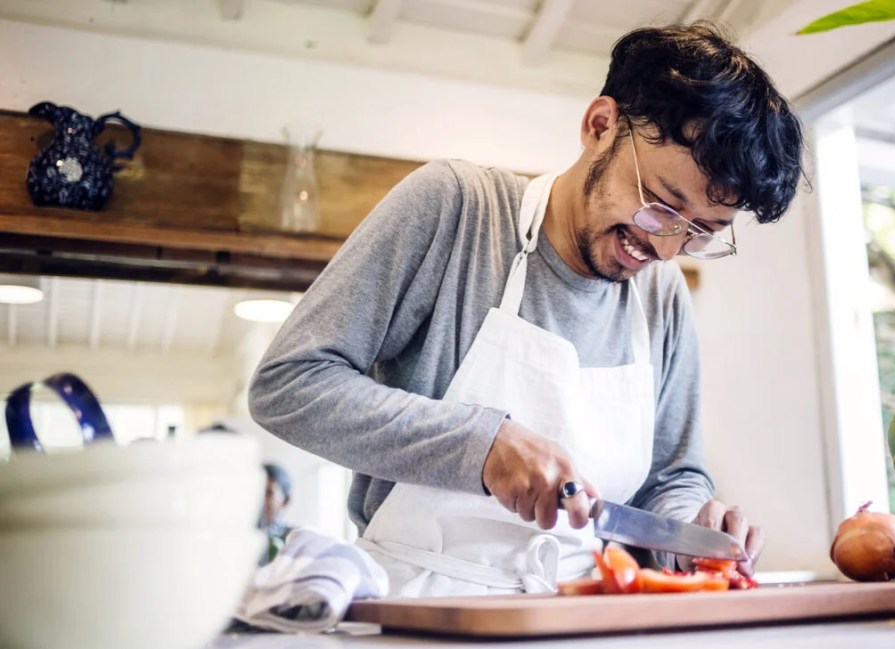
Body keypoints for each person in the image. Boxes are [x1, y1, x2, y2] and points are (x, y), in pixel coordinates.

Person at [249, 22, 803, 598]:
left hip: (581, 612)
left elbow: (671, 476)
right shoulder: (457, 209)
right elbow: (289, 384)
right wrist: (482, 445)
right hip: (419, 609)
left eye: (701, 232)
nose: (664, 247)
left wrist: (691, 527)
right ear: (600, 126)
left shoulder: (660, 298)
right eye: (662, 205)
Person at [259, 462, 297, 565]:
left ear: (286, 500)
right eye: (257, 490)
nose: (260, 499)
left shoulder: (295, 539)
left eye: (269, 493)